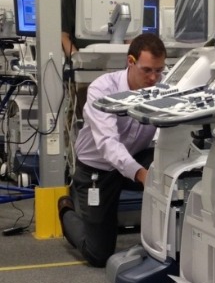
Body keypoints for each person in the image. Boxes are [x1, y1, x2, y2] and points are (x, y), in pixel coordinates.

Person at [58, 33, 167, 268]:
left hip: (134, 157)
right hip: (97, 169)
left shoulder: (161, 88)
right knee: (99, 254)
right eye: (147, 70)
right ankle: (67, 211)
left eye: (159, 71)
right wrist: (141, 175)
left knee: (171, 170)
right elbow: (108, 143)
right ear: (131, 61)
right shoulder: (102, 89)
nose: (153, 78)